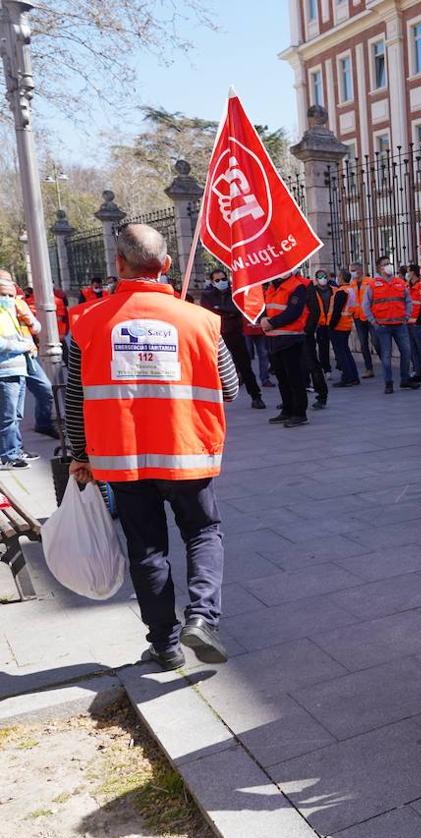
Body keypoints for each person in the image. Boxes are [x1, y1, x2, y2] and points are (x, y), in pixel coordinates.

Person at [65, 224, 238, 670]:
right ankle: (201, 618)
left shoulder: (85, 324)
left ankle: (164, 644)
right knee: (202, 532)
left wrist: (80, 455)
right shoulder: (201, 321)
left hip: (122, 457)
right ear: (165, 266)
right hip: (187, 452)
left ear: (118, 264)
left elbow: (74, 399)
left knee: (146, 549)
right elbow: (232, 389)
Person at [199, 268, 266, 410]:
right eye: (217, 280)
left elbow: (237, 309)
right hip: (216, 334)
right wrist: (227, 312)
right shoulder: (207, 295)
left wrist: (221, 309)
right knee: (212, 369)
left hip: (235, 334)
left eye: (223, 279)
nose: (221, 282)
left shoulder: (235, 293)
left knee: (245, 366)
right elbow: (208, 311)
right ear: (212, 282)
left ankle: (256, 396)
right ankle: (214, 401)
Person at [260, 271, 312, 427]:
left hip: (291, 338)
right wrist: (263, 319)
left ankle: (299, 413)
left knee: (294, 378)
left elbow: (293, 312)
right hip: (274, 339)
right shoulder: (271, 287)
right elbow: (267, 308)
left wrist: (272, 323)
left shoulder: (297, 286)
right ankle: (287, 410)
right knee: (282, 378)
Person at [363, 255, 420, 394]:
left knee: (406, 352)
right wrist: (373, 321)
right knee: (386, 356)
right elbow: (365, 305)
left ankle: (405, 379)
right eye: (385, 264)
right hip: (383, 326)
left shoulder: (400, 283)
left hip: (400, 325)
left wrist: (406, 316)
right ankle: (388, 383)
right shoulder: (372, 285)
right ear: (379, 268)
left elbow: (408, 301)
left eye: (389, 263)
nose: (388, 265)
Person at [12, 290, 59, 440]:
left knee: (45, 390)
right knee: (12, 407)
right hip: (8, 360)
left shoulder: (20, 304)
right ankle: (12, 448)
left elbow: (36, 327)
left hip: (28, 356)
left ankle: (43, 424)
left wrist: (26, 316)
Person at [0, 273, 36, 468]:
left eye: (10, 296)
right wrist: (23, 346)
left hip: (18, 369)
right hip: (5, 372)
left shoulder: (9, 313)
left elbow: (31, 330)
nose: (7, 300)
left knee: (15, 415)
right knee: (8, 416)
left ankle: (15, 449)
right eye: (3, 295)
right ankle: (8, 455)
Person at [302, 270, 330, 410]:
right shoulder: (274, 287)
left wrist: (308, 330)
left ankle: (321, 395)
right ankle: (290, 399)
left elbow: (315, 311)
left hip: (304, 333)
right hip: (285, 335)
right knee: (290, 368)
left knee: (313, 364)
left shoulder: (305, 285)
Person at [329, 270, 361, 387]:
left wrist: (331, 326)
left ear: (341, 278)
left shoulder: (341, 292)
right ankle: (354, 376)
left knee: (341, 353)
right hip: (347, 324)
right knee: (346, 352)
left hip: (339, 325)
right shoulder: (350, 290)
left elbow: (336, 311)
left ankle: (347, 377)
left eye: (338, 277)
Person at [350, 262, 376, 378]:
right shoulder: (352, 284)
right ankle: (369, 369)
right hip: (358, 317)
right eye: (351, 270)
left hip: (370, 317)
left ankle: (386, 364)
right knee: (363, 344)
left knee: (376, 342)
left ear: (360, 270)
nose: (352, 272)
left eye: (353, 270)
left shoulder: (370, 282)